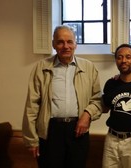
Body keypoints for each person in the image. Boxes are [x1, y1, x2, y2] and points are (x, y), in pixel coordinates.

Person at [22, 25, 104, 168]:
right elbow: (32, 105)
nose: (65, 46)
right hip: (50, 131)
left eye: (69, 42)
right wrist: (31, 140)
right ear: (54, 44)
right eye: (60, 42)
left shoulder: (88, 67)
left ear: (75, 44)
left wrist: (87, 114)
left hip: (79, 130)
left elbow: (97, 99)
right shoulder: (41, 67)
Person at [102, 44, 131, 168]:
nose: (124, 61)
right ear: (116, 60)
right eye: (119, 57)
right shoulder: (111, 83)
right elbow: (105, 108)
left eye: (128, 57)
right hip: (111, 138)